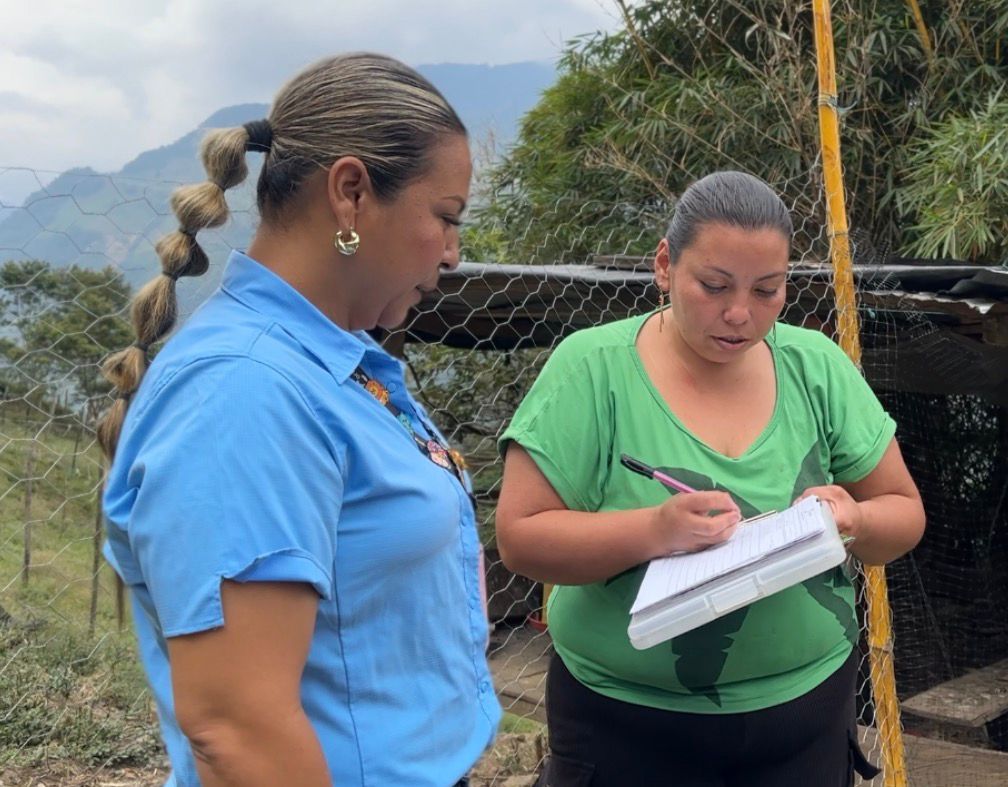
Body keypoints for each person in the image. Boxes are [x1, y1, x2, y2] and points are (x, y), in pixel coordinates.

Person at [99, 53, 500, 787]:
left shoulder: (330, 363)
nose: (452, 252)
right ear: (350, 193)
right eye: (444, 218)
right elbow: (237, 731)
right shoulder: (244, 393)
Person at [495, 171, 925, 787]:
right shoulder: (591, 368)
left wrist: (853, 520)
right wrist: (654, 529)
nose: (740, 314)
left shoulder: (815, 365)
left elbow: (902, 513)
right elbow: (520, 538)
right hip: (627, 728)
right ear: (665, 265)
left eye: (768, 291)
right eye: (714, 285)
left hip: (805, 720)